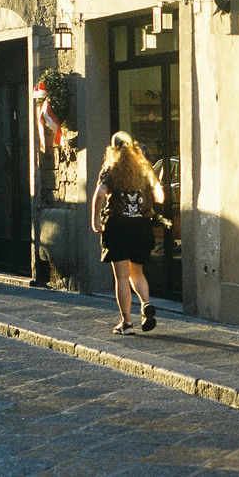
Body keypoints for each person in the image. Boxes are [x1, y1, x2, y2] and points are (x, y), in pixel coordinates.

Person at [90, 131, 164, 335]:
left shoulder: (110, 169)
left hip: (117, 226)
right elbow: (160, 196)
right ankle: (146, 303)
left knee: (122, 277)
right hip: (141, 227)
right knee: (137, 272)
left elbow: (100, 194)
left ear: (113, 150)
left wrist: (95, 218)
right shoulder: (144, 169)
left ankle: (127, 323)